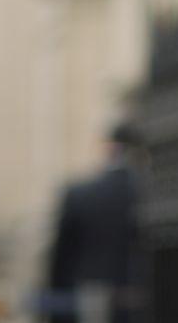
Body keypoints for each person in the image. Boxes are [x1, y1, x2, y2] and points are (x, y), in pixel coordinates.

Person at [42, 123, 144, 323]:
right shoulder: (149, 193)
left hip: (92, 293)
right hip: (139, 291)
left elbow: (61, 257)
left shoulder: (80, 194)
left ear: (110, 149)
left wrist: (54, 310)